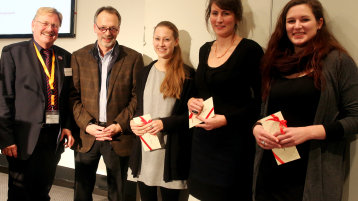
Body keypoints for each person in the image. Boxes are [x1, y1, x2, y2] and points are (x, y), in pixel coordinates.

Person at [252, 0, 358, 201]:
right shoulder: (274, 63)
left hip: (311, 175)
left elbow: (355, 118)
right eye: (291, 21)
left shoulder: (338, 62)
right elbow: (263, 111)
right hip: (270, 170)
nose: (297, 26)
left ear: (319, 23)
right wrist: (257, 127)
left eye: (304, 19)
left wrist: (309, 132)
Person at [187, 0, 263, 200]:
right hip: (202, 143)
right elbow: (200, 90)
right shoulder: (204, 49)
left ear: (237, 17)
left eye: (226, 13)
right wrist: (191, 101)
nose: (219, 19)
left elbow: (261, 102)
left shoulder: (250, 50)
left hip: (233, 145)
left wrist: (227, 119)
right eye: (215, 13)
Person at [70, 6, 144, 201]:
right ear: (95, 28)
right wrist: (87, 125)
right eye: (103, 27)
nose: (107, 33)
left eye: (112, 28)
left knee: (118, 192)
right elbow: (73, 97)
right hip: (88, 136)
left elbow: (137, 98)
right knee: (82, 190)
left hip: (118, 136)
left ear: (118, 29)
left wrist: (119, 125)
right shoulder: (78, 57)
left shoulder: (134, 59)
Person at [0, 7, 74, 201]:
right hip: (22, 138)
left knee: (43, 190)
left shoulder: (65, 57)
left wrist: (66, 126)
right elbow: (4, 97)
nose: (50, 29)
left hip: (52, 138)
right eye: (45, 23)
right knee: (19, 194)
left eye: (55, 25)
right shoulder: (13, 53)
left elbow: (66, 97)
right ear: (33, 25)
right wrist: (6, 138)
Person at [128, 21, 195, 201]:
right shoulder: (144, 73)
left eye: (166, 39)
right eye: (157, 38)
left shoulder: (187, 75)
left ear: (176, 41)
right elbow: (140, 108)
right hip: (146, 150)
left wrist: (163, 123)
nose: (161, 44)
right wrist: (134, 122)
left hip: (171, 153)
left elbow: (193, 118)